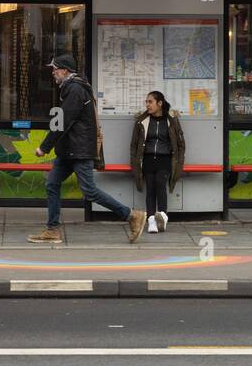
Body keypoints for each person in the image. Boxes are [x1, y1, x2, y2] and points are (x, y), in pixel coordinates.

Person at [29, 54, 146, 244]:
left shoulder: (74, 89)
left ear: (65, 70)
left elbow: (64, 121)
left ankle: (132, 216)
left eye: (55, 69)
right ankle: (53, 229)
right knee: (52, 184)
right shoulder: (70, 88)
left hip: (79, 150)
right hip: (68, 151)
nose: (53, 72)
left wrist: (44, 146)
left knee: (90, 191)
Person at [130, 91, 186, 233]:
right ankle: (151, 221)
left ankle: (162, 215)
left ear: (159, 103)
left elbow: (180, 143)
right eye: (146, 102)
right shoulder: (142, 121)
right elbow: (134, 144)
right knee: (150, 189)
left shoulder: (171, 120)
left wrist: (179, 160)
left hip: (165, 158)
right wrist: (134, 161)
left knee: (161, 184)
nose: (147, 105)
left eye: (150, 102)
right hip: (147, 159)